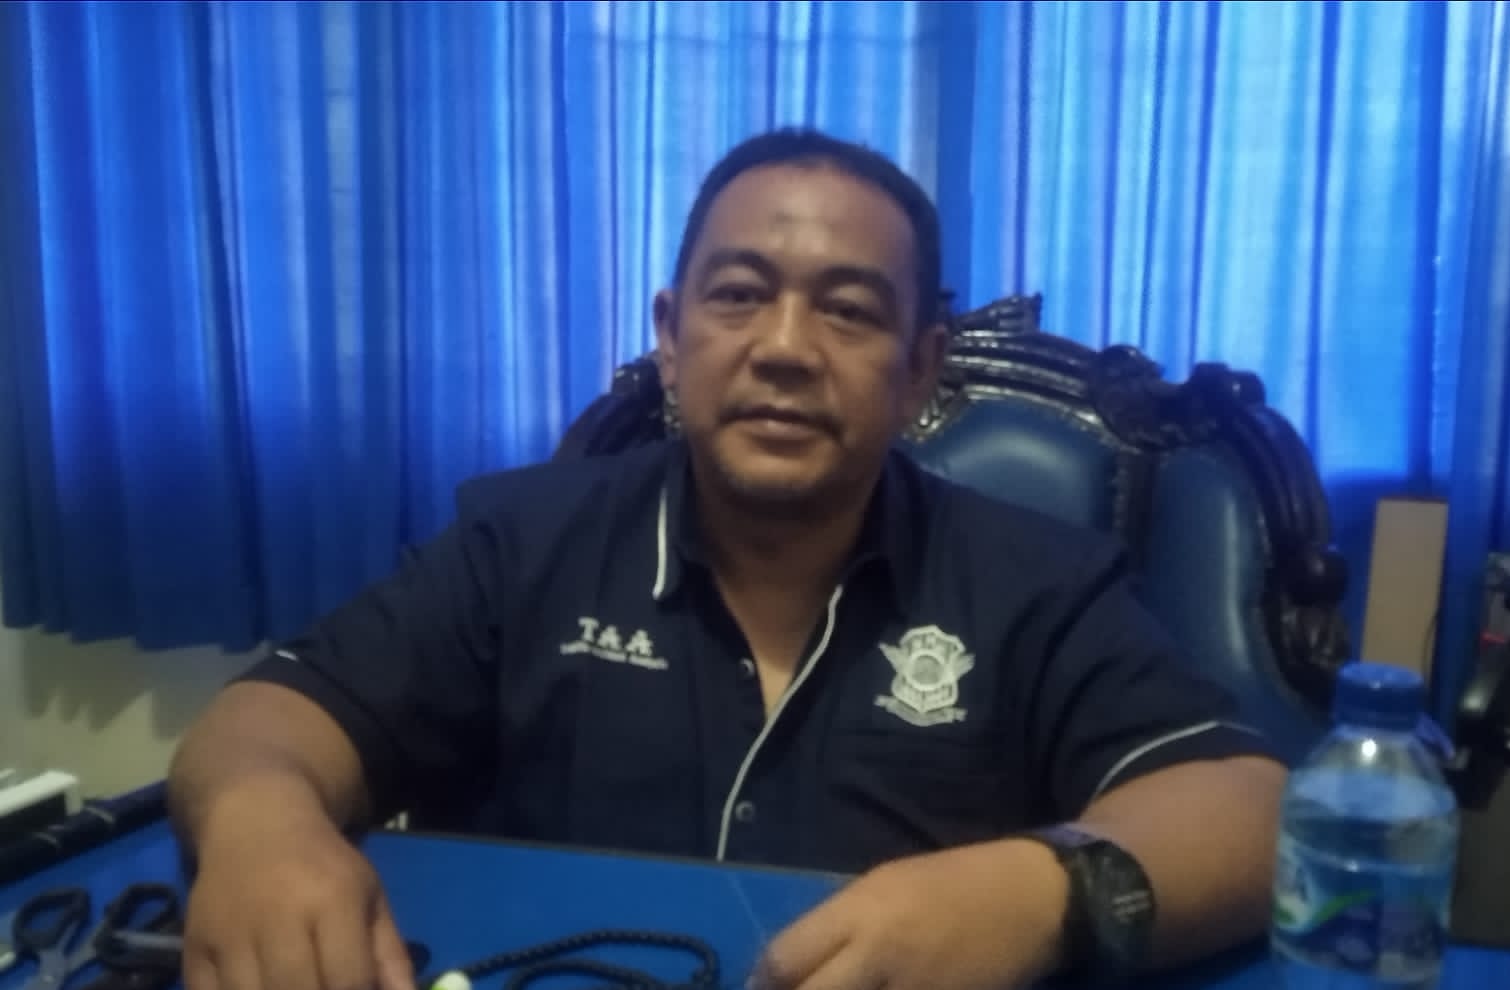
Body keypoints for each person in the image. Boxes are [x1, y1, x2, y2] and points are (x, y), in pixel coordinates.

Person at [168, 127, 1288, 990]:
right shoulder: (523, 543)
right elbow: (270, 721)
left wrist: (1039, 895)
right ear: (671, 337)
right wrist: (262, 828)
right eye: (740, 296)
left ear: (918, 371)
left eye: (848, 312)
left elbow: (1249, 809)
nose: (785, 349)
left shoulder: (1034, 581)